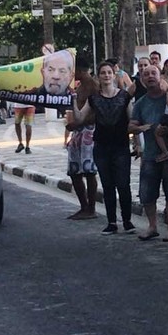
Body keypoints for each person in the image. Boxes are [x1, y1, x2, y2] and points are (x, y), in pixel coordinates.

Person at [73, 61, 137, 236]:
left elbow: (132, 120)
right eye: (103, 73)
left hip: (121, 146)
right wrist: (72, 101)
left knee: (123, 185)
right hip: (101, 147)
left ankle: (127, 221)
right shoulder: (93, 99)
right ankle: (111, 222)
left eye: (109, 72)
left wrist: (137, 142)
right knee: (108, 186)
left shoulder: (124, 97)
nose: (106, 75)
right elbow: (79, 118)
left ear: (114, 75)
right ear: (99, 76)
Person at [129, 64, 168, 242]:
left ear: (160, 76)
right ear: (141, 79)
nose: (150, 76)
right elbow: (131, 125)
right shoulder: (140, 103)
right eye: (146, 74)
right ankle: (152, 226)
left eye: (153, 73)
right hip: (150, 155)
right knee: (147, 193)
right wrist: (140, 128)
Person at [65, 58, 99, 220]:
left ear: (80, 70)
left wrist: (78, 123)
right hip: (78, 131)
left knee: (89, 170)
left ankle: (90, 207)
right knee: (74, 171)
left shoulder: (93, 86)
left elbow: (96, 112)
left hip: (89, 132)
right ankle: (84, 206)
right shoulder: (80, 87)